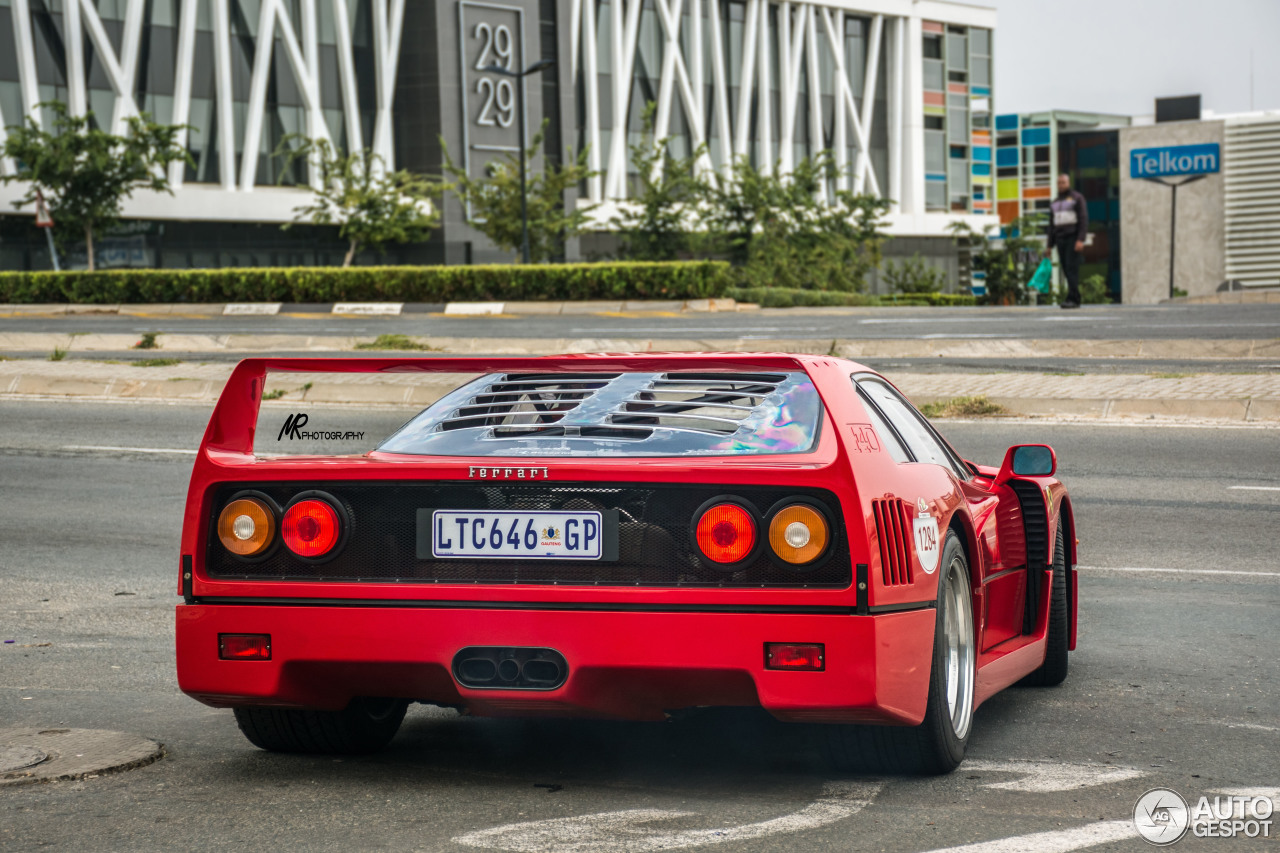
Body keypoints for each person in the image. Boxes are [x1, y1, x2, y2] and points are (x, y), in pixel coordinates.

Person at [1046, 173, 1088, 308]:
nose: (1061, 185)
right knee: (1065, 268)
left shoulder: (1077, 198)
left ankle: (1074, 299)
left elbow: (1083, 219)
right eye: (1059, 183)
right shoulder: (1055, 202)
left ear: (1068, 183)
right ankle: (1072, 297)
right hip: (1060, 239)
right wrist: (1049, 245)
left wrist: (1080, 239)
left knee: (1071, 268)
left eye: (1063, 182)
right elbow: (1052, 225)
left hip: (1072, 237)